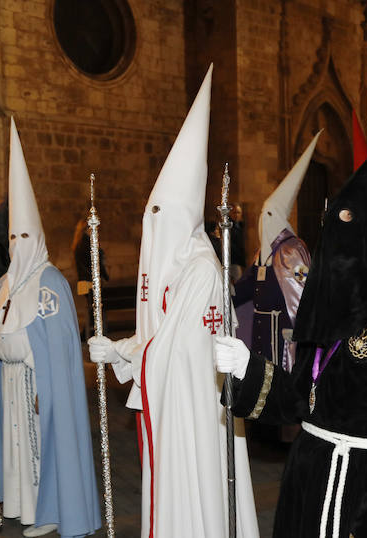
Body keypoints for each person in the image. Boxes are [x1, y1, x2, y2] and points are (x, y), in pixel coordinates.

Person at [215, 73, 367, 538]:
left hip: (359, 497)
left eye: (348, 229)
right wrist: (247, 367)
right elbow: (299, 398)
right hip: (309, 483)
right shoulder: (331, 314)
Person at [89, 66, 260, 537]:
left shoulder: (202, 269)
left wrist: (121, 352)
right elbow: (161, 338)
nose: (153, 227)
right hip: (177, 405)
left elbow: (173, 350)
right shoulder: (178, 265)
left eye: (160, 215)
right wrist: (124, 346)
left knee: (198, 487)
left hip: (196, 409)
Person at [0, 119, 101, 538]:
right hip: (8, 383)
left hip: (36, 385)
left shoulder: (53, 284)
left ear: (38, 237)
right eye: (14, 236)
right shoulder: (4, 284)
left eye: (27, 235)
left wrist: (3, 342)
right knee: (16, 453)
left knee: (42, 450)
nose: (20, 242)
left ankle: (53, 512)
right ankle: (24, 506)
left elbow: (51, 347)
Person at [234, 131, 320, 373]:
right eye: (263, 214)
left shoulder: (292, 251)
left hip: (283, 334)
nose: (264, 220)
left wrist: (298, 330)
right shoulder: (263, 253)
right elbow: (248, 285)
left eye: (269, 214)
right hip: (261, 331)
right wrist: (225, 291)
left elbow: (303, 293)